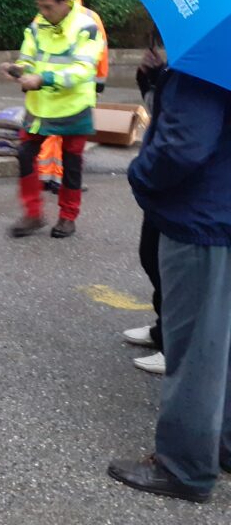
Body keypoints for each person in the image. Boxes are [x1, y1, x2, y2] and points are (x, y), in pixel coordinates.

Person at [108, 66, 231, 504]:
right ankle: (222, 445)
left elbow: (183, 145)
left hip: (203, 217)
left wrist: (140, 175)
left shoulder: (204, 63)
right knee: (222, 343)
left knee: (196, 350)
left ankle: (184, 466)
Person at [2, 0, 103, 239]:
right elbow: (27, 58)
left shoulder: (86, 27)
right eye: (40, 7)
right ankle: (33, 214)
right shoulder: (37, 25)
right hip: (41, 105)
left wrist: (43, 79)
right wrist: (17, 70)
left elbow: (83, 69)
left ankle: (68, 217)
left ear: (65, 3)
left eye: (48, 7)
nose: (43, 13)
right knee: (25, 153)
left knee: (71, 163)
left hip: (73, 105)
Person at [37, 0, 109, 194]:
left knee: (49, 133)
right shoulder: (90, 17)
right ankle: (63, 181)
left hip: (46, 89)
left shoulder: (42, 16)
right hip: (77, 90)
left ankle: (45, 175)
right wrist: (99, 82)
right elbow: (101, 53)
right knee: (72, 142)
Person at [121, 46, 167, 376]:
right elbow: (157, 110)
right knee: (152, 257)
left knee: (174, 270)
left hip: (187, 195)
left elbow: (184, 144)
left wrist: (140, 174)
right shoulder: (177, 71)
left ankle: (176, 344)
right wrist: (149, 77)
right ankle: (163, 328)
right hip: (164, 193)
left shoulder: (203, 73)